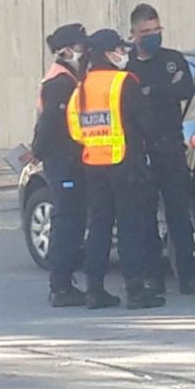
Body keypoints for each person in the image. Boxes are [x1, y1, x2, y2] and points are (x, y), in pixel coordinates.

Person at [68, 29, 166, 310]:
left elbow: (75, 129)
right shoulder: (124, 82)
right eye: (120, 50)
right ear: (108, 53)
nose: (125, 54)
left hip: (93, 163)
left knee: (99, 227)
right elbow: (146, 123)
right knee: (129, 226)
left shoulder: (81, 87)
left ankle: (95, 290)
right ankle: (135, 290)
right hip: (125, 162)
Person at [127, 4, 195, 295]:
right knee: (145, 217)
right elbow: (131, 99)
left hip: (172, 146)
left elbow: (184, 89)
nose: (152, 36)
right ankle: (153, 276)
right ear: (134, 34)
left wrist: (149, 91)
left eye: (156, 30)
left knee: (179, 214)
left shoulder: (173, 59)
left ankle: (188, 276)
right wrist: (162, 89)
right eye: (146, 32)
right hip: (140, 151)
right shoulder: (127, 65)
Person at [32, 23, 89, 307]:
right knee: (66, 221)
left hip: (64, 158)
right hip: (62, 160)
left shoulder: (67, 77)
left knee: (71, 219)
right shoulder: (61, 82)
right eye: (79, 45)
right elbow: (50, 124)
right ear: (65, 50)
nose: (83, 50)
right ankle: (61, 285)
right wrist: (37, 152)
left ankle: (63, 283)